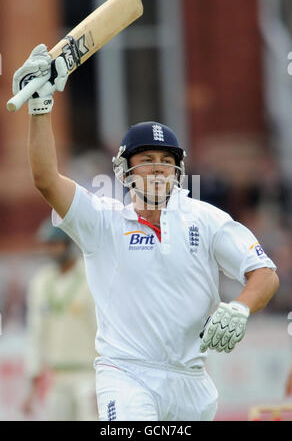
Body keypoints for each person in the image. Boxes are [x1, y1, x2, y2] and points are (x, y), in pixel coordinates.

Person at [13, 44, 279, 421]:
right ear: (125, 171)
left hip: (192, 382)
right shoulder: (103, 220)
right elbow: (45, 180)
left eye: (167, 162)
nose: (158, 169)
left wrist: (240, 307)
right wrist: (41, 109)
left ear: (178, 171)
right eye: (147, 161)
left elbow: (264, 273)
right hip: (126, 374)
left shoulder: (205, 218)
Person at [22, 218, 98, 421]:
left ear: (70, 244)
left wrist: (105, 382)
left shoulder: (91, 277)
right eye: (48, 245)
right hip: (57, 376)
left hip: (89, 375)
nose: (51, 250)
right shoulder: (41, 282)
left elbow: (103, 330)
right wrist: (32, 385)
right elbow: (36, 333)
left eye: (55, 244)